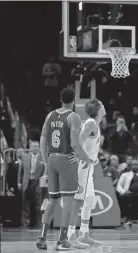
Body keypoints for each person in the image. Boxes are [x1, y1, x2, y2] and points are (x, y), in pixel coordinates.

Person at [36, 88, 92, 250]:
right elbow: (74, 143)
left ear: (61, 99)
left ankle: (42, 238)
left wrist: (46, 161)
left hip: (52, 159)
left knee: (53, 200)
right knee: (68, 201)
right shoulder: (73, 116)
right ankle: (62, 240)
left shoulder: (50, 115)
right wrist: (85, 157)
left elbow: (43, 139)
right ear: (73, 100)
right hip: (66, 160)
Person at [67, 99, 106, 248]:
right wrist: (79, 156)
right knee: (78, 201)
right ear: (98, 109)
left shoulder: (93, 123)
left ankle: (84, 234)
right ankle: (71, 234)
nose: (104, 106)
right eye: (102, 105)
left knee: (89, 199)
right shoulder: (90, 123)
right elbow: (78, 140)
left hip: (88, 167)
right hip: (82, 167)